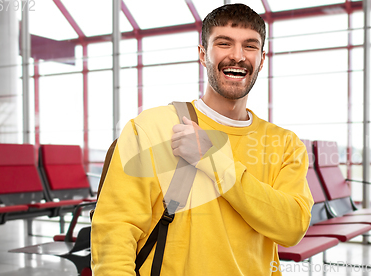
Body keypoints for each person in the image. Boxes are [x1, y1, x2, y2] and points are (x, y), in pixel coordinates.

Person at [91, 4, 314, 275]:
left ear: (262, 59)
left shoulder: (286, 144)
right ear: (203, 54)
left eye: (250, 46)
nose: (237, 56)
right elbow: (114, 232)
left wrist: (215, 160)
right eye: (224, 43)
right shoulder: (150, 128)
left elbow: (292, 228)